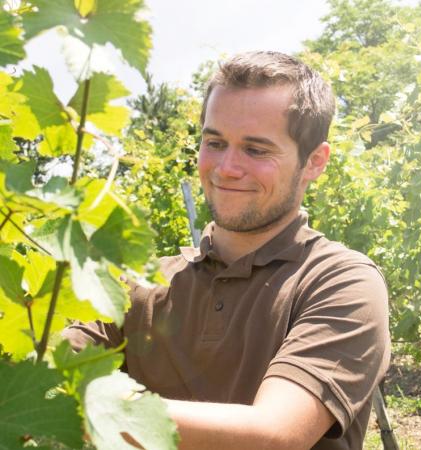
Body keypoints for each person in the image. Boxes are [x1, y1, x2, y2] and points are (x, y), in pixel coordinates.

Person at [64, 51, 390, 450]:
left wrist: (96, 406)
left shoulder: (340, 281)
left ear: (314, 162)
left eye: (256, 150)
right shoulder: (138, 284)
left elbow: (274, 435)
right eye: (215, 142)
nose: (226, 168)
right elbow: (45, 369)